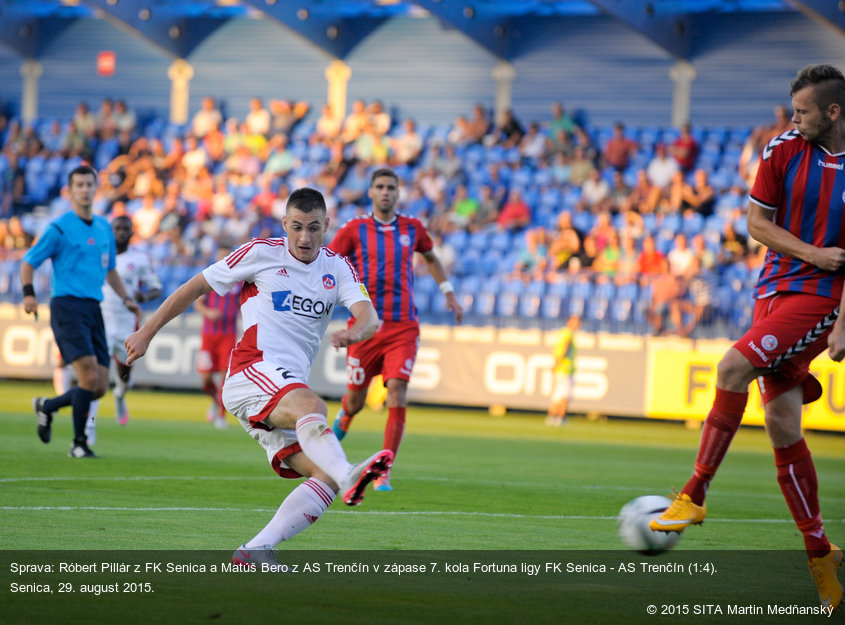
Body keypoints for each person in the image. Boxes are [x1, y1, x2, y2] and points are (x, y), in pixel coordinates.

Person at [651, 64, 845, 610]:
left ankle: (695, 493)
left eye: (803, 111)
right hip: (774, 290)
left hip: (820, 298)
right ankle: (819, 552)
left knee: (731, 368)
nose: (792, 118)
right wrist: (811, 253)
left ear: (832, 112)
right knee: (784, 426)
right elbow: (756, 224)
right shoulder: (781, 150)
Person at [124, 187, 392, 562]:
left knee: (323, 476)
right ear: (284, 223)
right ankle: (350, 474)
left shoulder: (337, 267)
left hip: (281, 391)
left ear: (327, 225)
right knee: (313, 406)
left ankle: (255, 551)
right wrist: (147, 331)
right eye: (297, 227)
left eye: (314, 228)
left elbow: (369, 316)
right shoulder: (261, 253)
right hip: (251, 372)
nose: (304, 237)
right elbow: (197, 286)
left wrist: (354, 332)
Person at [328, 168, 464, 492]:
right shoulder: (354, 229)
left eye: (391, 187)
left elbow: (431, 257)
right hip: (364, 327)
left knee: (397, 391)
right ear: (371, 192)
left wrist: (448, 291)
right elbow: (328, 261)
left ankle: (384, 470)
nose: (386, 192)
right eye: (380, 187)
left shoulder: (412, 228)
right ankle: (338, 429)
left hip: (403, 327)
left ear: (398, 193)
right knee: (355, 402)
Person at [22, 164, 140, 458]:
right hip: (66, 306)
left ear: (95, 188)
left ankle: (47, 406)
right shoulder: (59, 228)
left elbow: (109, 269)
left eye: (89, 184)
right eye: (80, 185)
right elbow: (28, 262)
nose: (85, 190)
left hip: (93, 308)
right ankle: (79, 443)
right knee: (87, 377)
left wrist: (126, 298)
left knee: (99, 386)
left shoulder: (103, 228)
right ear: (70, 191)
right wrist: (28, 295)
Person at [84, 215, 162, 444]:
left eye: (124, 229)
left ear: (131, 233)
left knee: (124, 373)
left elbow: (156, 288)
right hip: (101, 321)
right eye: (116, 228)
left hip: (128, 325)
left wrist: (144, 296)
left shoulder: (140, 258)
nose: (120, 232)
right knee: (96, 375)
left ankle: (120, 394)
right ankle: (90, 427)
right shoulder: (98, 254)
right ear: (110, 231)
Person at [193, 249, 241, 429]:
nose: (223, 259)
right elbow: (198, 303)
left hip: (228, 334)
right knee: (205, 380)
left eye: (226, 255)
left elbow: (241, 304)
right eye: (221, 256)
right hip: (208, 334)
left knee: (224, 376)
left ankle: (221, 416)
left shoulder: (238, 281)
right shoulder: (209, 278)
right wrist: (208, 312)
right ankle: (216, 400)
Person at [546, 315, 579, 426]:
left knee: (558, 393)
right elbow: (564, 348)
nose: (578, 325)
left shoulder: (562, 333)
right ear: (569, 322)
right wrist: (558, 363)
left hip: (561, 368)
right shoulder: (568, 334)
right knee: (565, 394)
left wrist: (556, 364)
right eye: (576, 322)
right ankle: (561, 416)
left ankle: (552, 416)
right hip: (565, 369)